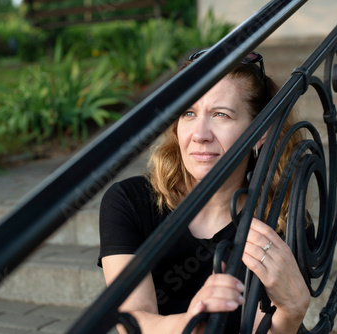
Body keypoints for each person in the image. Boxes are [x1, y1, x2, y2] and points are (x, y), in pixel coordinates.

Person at [98, 50, 310, 333]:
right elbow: (132, 323)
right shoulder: (130, 201)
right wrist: (192, 323)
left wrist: (290, 315)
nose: (200, 134)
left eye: (220, 114)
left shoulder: (283, 219)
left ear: (261, 132)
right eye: (189, 113)